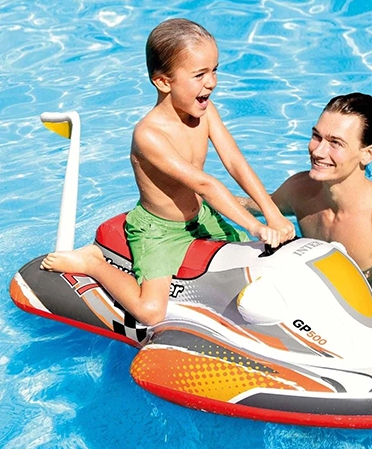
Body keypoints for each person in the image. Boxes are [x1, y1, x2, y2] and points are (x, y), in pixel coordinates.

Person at [41, 18, 295, 325]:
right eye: (200, 74)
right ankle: (92, 262)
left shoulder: (205, 111)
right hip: (158, 231)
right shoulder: (148, 135)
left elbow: (235, 162)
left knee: (256, 259)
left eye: (215, 70)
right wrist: (256, 227)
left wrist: (272, 213)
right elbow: (204, 184)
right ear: (164, 82)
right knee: (151, 312)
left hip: (200, 219)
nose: (211, 82)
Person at [238, 92, 372, 336]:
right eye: (316, 136)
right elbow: (253, 206)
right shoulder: (300, 189)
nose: (318, 152)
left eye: (335, 143)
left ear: (368, 154)